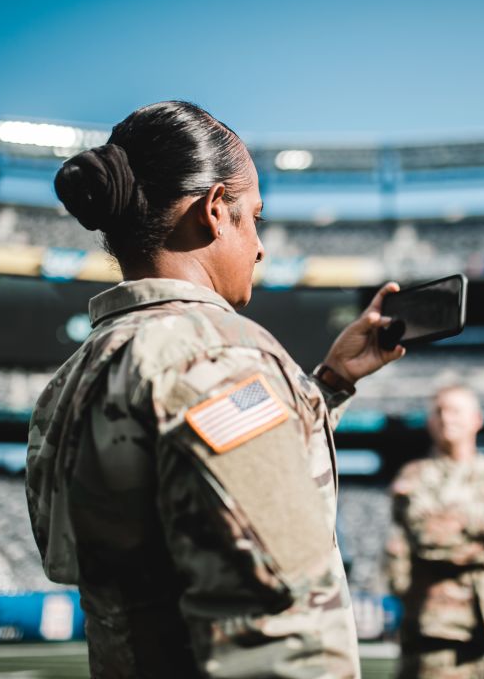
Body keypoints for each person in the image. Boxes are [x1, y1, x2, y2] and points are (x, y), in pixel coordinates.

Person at [25, 101, 406, 678]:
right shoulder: (221, 352)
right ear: (213, 210)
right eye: (253, 215)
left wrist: (328, 384)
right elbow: (279, 616)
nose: (259, 245)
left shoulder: (79, 372)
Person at [383, 385, 484, 679]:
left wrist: (468, 519)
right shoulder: (414, 478)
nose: (447, 418)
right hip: (437, 635)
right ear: (429, 422)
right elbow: (430, 540)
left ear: (477, 419)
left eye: (455, 410)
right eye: (439, 411)